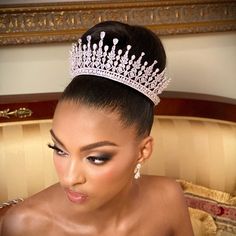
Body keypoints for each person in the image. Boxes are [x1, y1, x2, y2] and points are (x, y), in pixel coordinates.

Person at [1, 21, 194, 236]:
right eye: (59, 149)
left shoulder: (168, 199)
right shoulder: (25, 225)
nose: (69, 178)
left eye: (96, 158)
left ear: (143, 151)